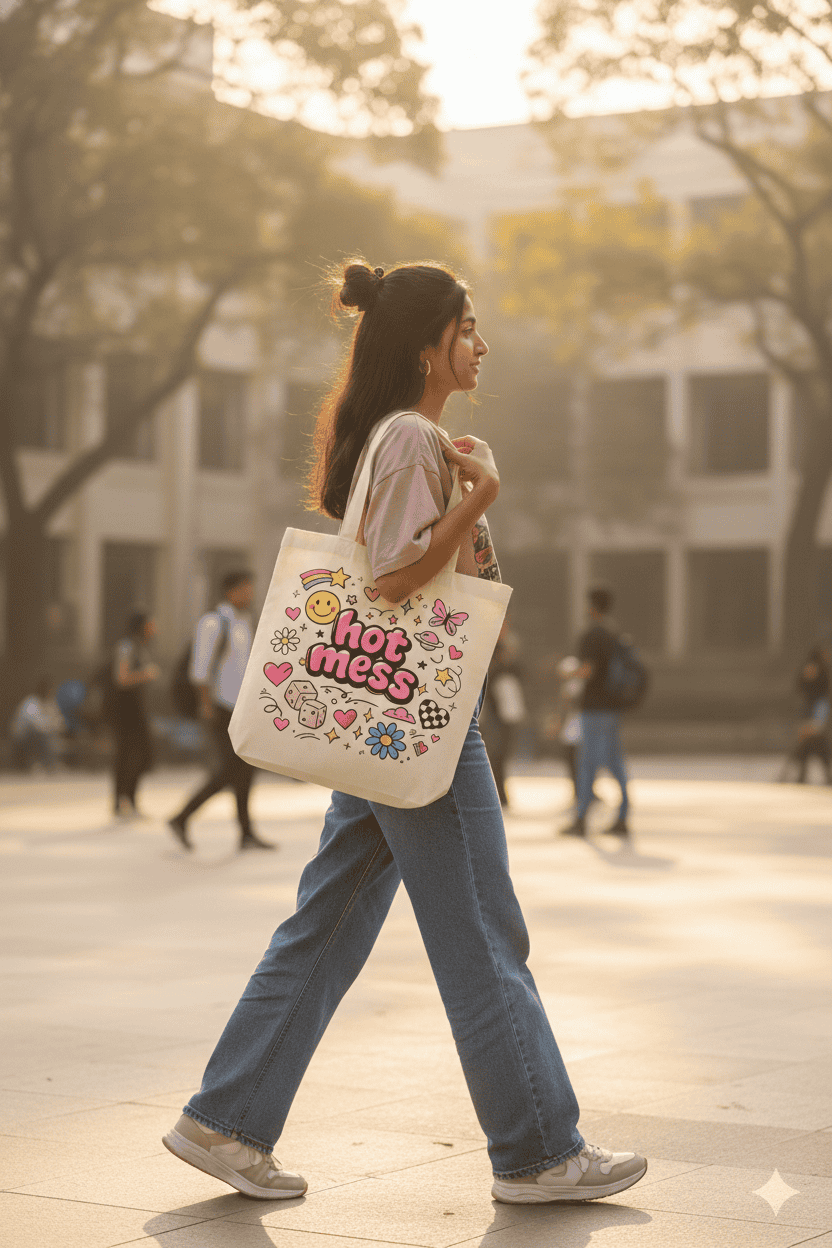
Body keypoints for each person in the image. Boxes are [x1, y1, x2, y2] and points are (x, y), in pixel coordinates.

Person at [162, 260, 647, 1205]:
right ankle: (540, 1150)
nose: (482, 342)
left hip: (386, 724)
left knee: (329, 921)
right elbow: (391, 577)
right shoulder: (411, 435)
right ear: (428, 345)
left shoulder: (407, 436)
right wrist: (483, 494)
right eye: (468, 327)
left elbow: (433, 573)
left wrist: (463, 496)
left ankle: (224, 1121)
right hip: (421, 722)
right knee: (480, 930)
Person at [168, 571, 274, 852]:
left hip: (241, 709)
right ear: (232, 590)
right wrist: (205, 706)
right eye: (246, 588)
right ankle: (182, 817)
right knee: (228, 769)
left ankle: (246, 832)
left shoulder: (244, 623)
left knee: (245, 769)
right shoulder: (213, 622)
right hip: (219, 708)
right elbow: (199, 669)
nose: (250, 594)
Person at [560, 586, 630, 837]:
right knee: (615, 763)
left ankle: (581, 820)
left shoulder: (591, 635)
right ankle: (623, 816)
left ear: (592, 606)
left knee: (587, 763)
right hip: (613, 707)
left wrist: (569, 672)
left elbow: (587, 671)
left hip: (594, 708)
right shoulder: (614, 634)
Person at [110, 612, 159, 817]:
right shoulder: (126, 647)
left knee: (142, 756)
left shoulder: (140, 647)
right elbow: (121, 679)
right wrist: (145, 674)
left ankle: (129, 799)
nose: (154, 628)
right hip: (125, 711)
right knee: (127, 756)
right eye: (150, 624)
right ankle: (122, 801)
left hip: (137, 710)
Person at [481, 628, 527, 808]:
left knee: (501, 757)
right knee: (497, 757)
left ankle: (501, 794)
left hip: (504, 718)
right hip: (496, 719)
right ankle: (499, 794)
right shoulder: (495, 671)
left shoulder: (509, 669)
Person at [781, 646, 831, 784]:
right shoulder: (813, 668)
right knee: (814, 743)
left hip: (815, 709)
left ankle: (797, 776)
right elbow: (802, 689)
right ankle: (805, 776)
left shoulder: (822, 670)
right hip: (812, 709)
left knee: (811, 743)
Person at [9, 677, 65, 771]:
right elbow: (36, 725)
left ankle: (51, 764)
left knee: (52, 736)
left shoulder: (50, 703)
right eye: (47, 690)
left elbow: (60, 722)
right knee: (39, 733)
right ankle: (36, 764)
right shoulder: (30, 703)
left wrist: (53, 726)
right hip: (22, 738)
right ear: (41, 690)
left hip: (43, 735)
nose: (49, 692)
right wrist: (51, 726)